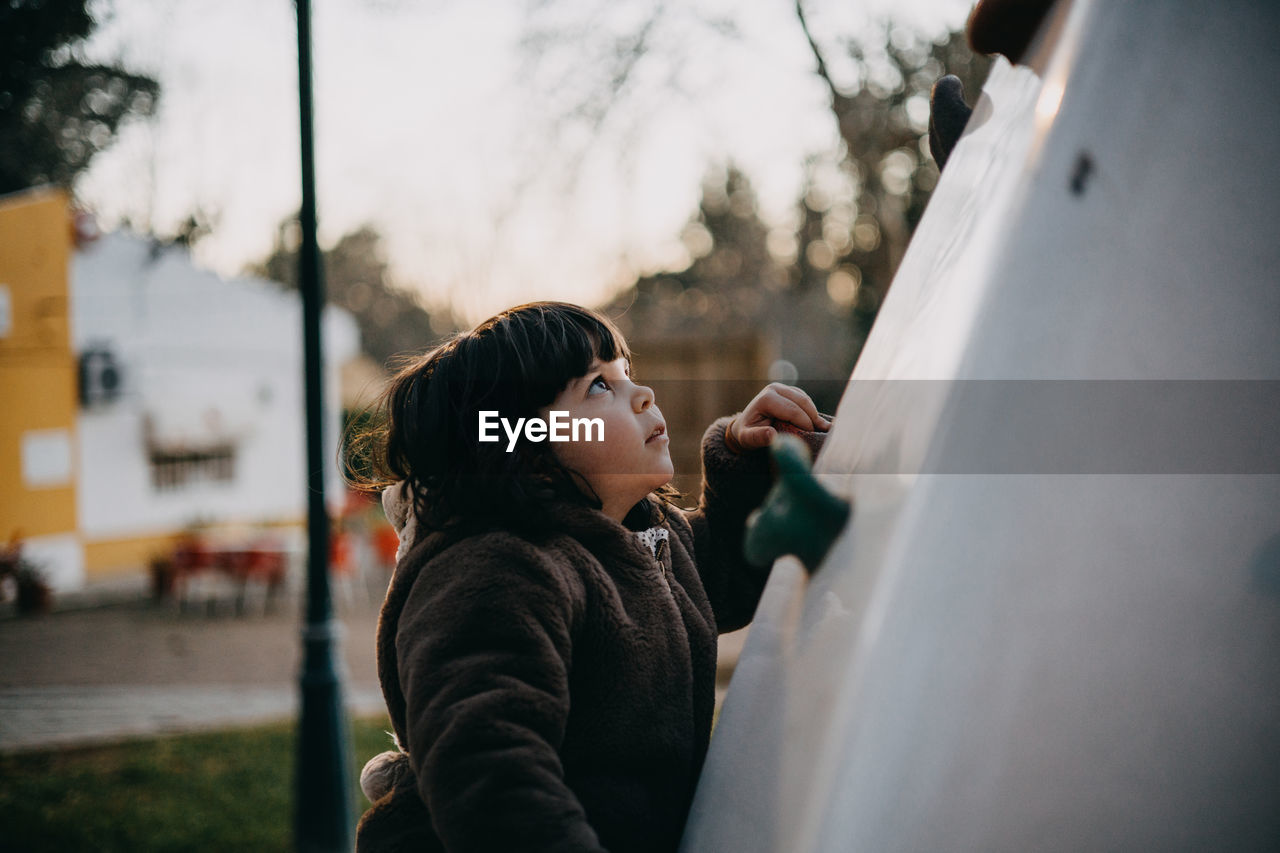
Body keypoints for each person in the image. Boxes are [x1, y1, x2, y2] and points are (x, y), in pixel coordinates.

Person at [351, 301, 829, 852]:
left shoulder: (640, 543)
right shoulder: (494, 573)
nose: (642, 394)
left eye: (625, 374)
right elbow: (494, 781)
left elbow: (728, 573)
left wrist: (747, 461)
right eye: (599, 386)